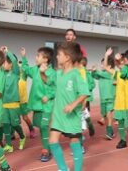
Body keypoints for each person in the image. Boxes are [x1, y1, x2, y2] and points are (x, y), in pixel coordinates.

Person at [49, 42, 90, 171]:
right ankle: (63, 168)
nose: (56, 57)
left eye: (59, 54)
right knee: (52, 141)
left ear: (67, 57)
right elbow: (50, 84)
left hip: (72, 116)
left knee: (74, 143)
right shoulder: (58, 73)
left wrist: (73, 105)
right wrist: (43, 73)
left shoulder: (76, 74)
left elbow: (84, 93)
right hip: (59, 115)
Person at [20, 46, 55, 162]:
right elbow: (25, 69)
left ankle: (46, 151)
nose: (36, 57)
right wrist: (24, 57)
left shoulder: (51, 72)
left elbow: (55, 88)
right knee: (41, 128)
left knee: (44, 126)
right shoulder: (35, 69)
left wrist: (48, 96)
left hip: (47, 105)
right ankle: (48, 146)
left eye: (38, 56)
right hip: (37, 106)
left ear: (45, 59)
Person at [0, 47, 25, 153]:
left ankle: (22, 137)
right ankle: (9, 145)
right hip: (4, 103)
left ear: (10, 64)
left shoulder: (15, 72)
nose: (3, 65)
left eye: (5, 63)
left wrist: (7, 51)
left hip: (14, 103)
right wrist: (1, 53)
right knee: (5, 124)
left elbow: (14, 60)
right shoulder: (2, 74)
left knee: (14, 124)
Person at [91, 57, 116, 139]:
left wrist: (95, 70)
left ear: (109, 66)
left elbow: (99, 73)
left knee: (109, 113)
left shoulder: (110, 73)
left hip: (110, 97)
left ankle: (109, 131)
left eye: (103, 64)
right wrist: (93, 71)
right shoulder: (102, 73)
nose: (102, 65)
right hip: (103, 98)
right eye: (102, 64)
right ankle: (110, 130)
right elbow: (95, 76)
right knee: (104, 115)